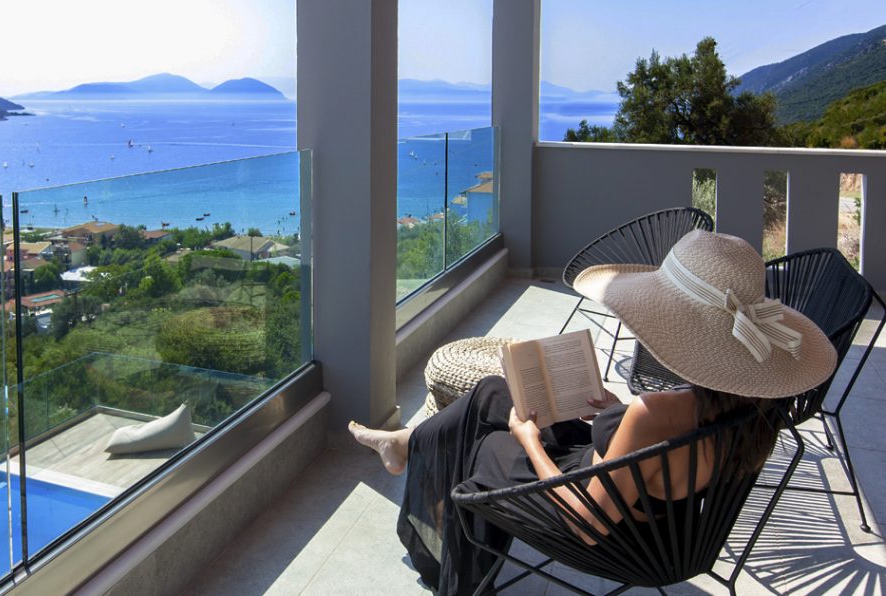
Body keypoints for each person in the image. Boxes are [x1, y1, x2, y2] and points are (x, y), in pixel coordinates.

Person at [349, 229, 837, 595]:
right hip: (658, 515)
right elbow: (667, 450)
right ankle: (407, 443)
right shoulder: (757, 412)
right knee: (494, 391)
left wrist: (530, 443)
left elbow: (586, 521)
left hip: (603, 520)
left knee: (489, 439)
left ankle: (446, 550)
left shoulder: (655, 413)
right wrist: (615, 413)